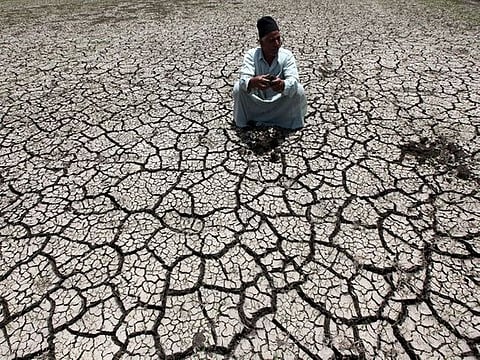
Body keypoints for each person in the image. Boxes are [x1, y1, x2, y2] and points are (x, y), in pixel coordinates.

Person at [233, 16, 307, 130]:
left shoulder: (287, 56)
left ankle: (289, 123)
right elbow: (244, 79)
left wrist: (283, 85)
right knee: (238, 88)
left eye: (278, 39)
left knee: (299, 90)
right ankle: (243, 124)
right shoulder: (251, 55)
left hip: (280, 103)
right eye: (271, 40)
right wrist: (253, 82)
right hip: (258, 102)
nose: (276, 44)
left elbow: (294, 80)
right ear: (261, 43)